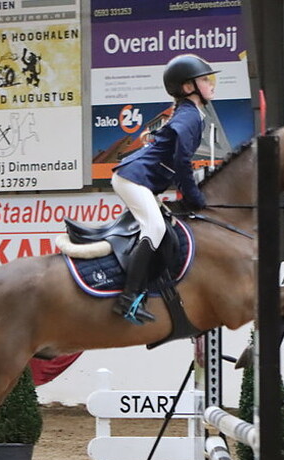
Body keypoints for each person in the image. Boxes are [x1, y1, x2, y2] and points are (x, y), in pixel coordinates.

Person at [110, 54, 217, 325]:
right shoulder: (190, 115)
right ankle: (128, 299)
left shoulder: (191, 113)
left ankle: (147, 290)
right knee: (155, 229)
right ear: (187, 88)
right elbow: (182, 160)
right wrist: (193, 196)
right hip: (133, 178)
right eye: (205, 79)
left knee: (164, 229)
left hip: (140, 179)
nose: (212, 84)